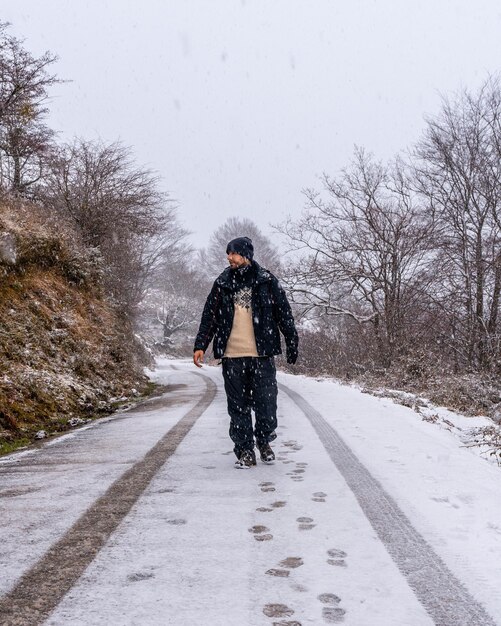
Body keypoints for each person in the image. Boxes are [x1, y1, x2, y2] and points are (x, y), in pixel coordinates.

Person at [193, 236, 299, 468]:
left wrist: (292, 342)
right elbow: (209, 316)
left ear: (246, 256)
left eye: (233, 253)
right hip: (232, 356)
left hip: (262, 354)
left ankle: (263, 442)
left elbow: (284, 312)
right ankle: (244, 451)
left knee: (266, 404)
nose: (229, 257)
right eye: (228, 253)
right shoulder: (222, 283)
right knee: (238, 406)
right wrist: (200, 345)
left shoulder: (267, 281)